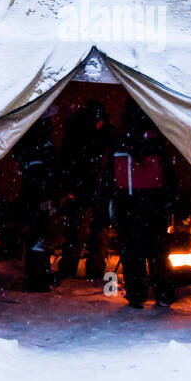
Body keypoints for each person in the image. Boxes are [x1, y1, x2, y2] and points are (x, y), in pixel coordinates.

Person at [110, 99, 177, 308]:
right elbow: (169, 175)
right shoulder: (157, 142)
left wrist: (110, 201)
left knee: (134, 252)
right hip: (151, 203)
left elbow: (107, 175)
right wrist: (168, 200)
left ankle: (138, 293)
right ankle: (161, 293)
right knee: (156, 252)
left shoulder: (118, 141)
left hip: (130, 203)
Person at [57, 99, 114, 280]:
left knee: (87, 232)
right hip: (88, 191)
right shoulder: (90, 136)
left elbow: (66, 162)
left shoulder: (79, 135)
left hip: (92, 191)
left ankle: (82, 269)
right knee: (82, 231)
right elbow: (68, 163)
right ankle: (80, 269)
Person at [11, 108, 60, 292]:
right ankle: (37, 278)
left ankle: (37, 275)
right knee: (38, 236)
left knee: (36, 236)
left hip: (32, 193)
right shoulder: (41, 138)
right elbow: (43, 170)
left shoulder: (29, 137)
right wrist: (45, 195)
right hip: (38, 195)